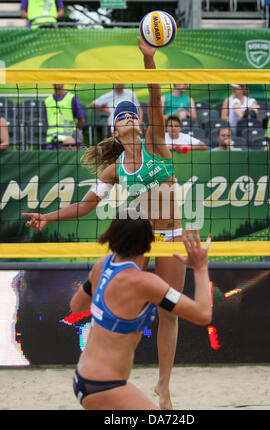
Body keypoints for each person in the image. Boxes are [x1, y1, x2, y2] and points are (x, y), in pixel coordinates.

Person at [23, 38, 187, 410]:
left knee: (168, 311)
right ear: (114, 130)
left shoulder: (155, 143)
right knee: (123, 306)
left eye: (134, 114)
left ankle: (164, 385)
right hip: (141, 242)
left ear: (142, 122)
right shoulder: (113, 168)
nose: (130, 117)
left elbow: (155, 95)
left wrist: (149, 60)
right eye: (122, 116)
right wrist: (46, 216)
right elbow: (85, 206)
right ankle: (112, 375)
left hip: (172, 236)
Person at [71, 208, 211, 410]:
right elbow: (203, 314)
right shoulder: (144, 284)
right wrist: (200, 268)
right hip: (104, 386)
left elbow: (76, 307)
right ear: (149, 240)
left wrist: (100, 291)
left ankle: (162, 386)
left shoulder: (102, 265)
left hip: (83, 377)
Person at [44, 84, 85, 150]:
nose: (57, 83)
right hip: (52, 142)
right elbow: (47, 122)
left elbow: (81, 119)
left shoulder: (71, 98)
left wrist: (76, 134)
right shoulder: (47, 101)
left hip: (69, 143)